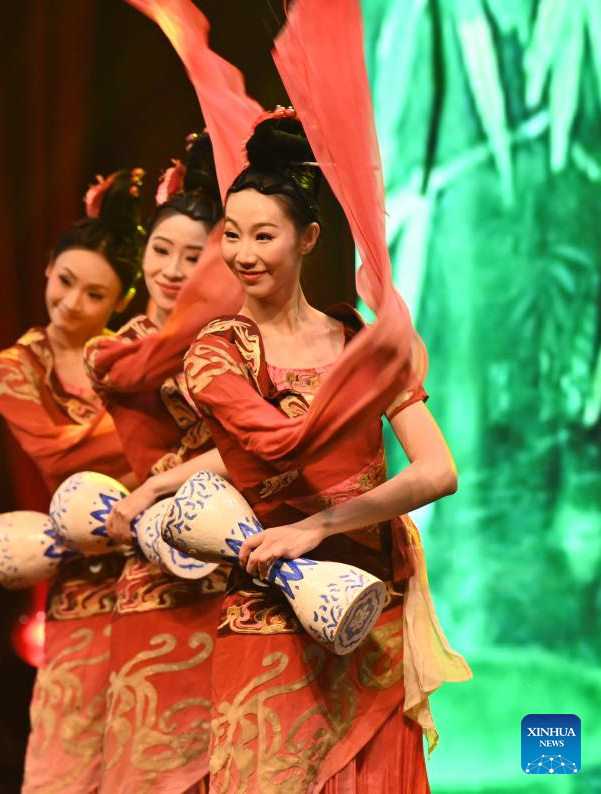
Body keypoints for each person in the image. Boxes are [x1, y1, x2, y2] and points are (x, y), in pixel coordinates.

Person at [181, 116, 467, 793]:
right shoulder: (217, 352)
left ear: (308, 238)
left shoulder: (356, 340)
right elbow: (277, 444)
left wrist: (319, 524)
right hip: (271, 613)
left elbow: (438, 471)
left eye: (264, 235)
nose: (243, 253)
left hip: (369, 606)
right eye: (231, 234)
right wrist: (373, 368)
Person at [84, 134, 236, 793]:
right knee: (148, 761)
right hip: (161, 564)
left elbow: (263, 449)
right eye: (161, 250)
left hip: (243, 561)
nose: (172, 270)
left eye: (194, 258)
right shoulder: (118, 354)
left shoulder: (247, 342)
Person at [0, 169, 144, 793]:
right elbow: (59, 461)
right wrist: (150, 448)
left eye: (95, 293)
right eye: (66, 281)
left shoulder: (131, 354)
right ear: (48, 269)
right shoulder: (16, 367)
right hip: (81, 576)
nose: (73, 302)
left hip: (156, 572)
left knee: (152, 750)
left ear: (122, 302)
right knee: (67, 757)